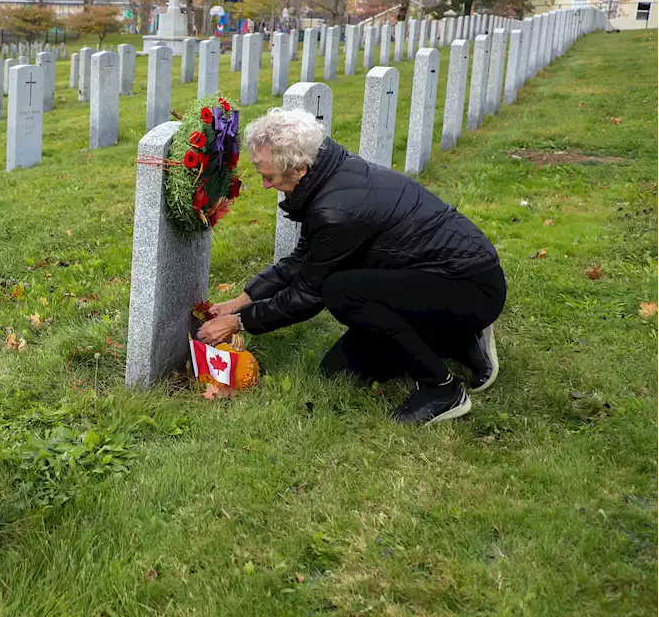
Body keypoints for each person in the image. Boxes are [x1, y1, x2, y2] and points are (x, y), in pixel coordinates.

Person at [196, 108, 505, 423]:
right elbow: (302, 259)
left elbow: (307, 295)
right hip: (437, 277)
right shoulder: (330, 174)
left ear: (298, 169)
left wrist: (240, 322)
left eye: (269, 176)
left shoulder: (335, 210)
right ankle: (459, 338)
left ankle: (442, 390)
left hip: (468, 285)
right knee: (340, 370)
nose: (264, 185)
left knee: (340, 291)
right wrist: (240, 301)